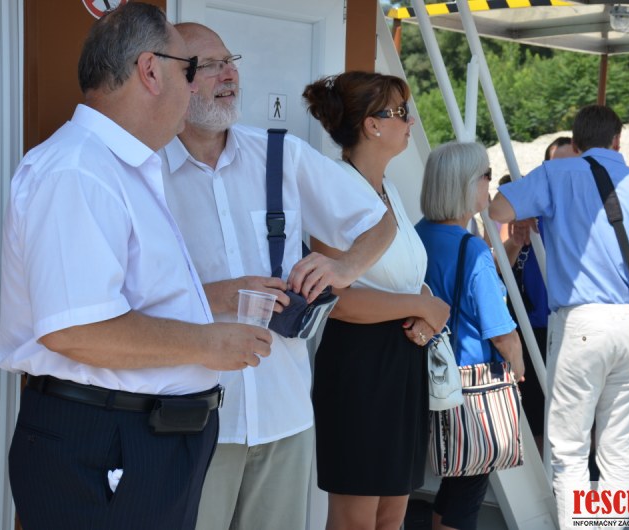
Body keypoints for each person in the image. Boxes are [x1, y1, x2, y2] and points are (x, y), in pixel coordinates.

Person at [0, 4, 273, 530]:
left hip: (131, 440)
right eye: (189, 71)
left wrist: (209, 305)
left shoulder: (116, 166)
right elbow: (75, 329)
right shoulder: (78, 170)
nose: (193, 88)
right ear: (150, 70)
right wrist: (207, 343)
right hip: (106, 444)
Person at [161, 23, 396, 530]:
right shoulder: (145, 171)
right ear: (172, 77)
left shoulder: (279, 154)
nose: (230, 75)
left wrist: (344, 267)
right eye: (212, 66)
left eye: (231, 61)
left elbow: (379, 222)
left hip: (284, 413)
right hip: (189, 420)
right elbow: (125, 296)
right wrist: (216, 296)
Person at [488, 104, 629, 525]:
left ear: (575, 143)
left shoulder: (557, 174)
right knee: (619, 449)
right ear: (618, 141)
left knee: (570, 447)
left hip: (583, 323)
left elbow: (498, 210)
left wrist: (534, 211)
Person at [303, 71, 450, 530]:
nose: (410, 122)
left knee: (391, 515)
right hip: (360, 365)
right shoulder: (335, 187)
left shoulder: (389, 190)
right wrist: (421, 307)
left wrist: (424, 307)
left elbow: (406, 278)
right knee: (356, 519)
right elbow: (336, 300)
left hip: (402, 360)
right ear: (372, 125)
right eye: (401, 112)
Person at [414, 141, 525, 530]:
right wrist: (518, 368)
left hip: (429, 377)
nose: (489, 184)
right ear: (464, 184)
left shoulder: (417, 235)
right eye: (486, 175)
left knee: (455, 478)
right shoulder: (472, 249)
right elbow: (502, 333)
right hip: (472, 387)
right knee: (467, 489)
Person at [498, 136, 577, 456]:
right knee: (538, 417)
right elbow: (500, 267)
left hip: (578, 328)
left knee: (580, 416)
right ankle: (550, 482)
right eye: (557, 166)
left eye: (572, 164)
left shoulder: (593, 213)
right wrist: (517, 239)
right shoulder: (529, 213)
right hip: (536, 331)